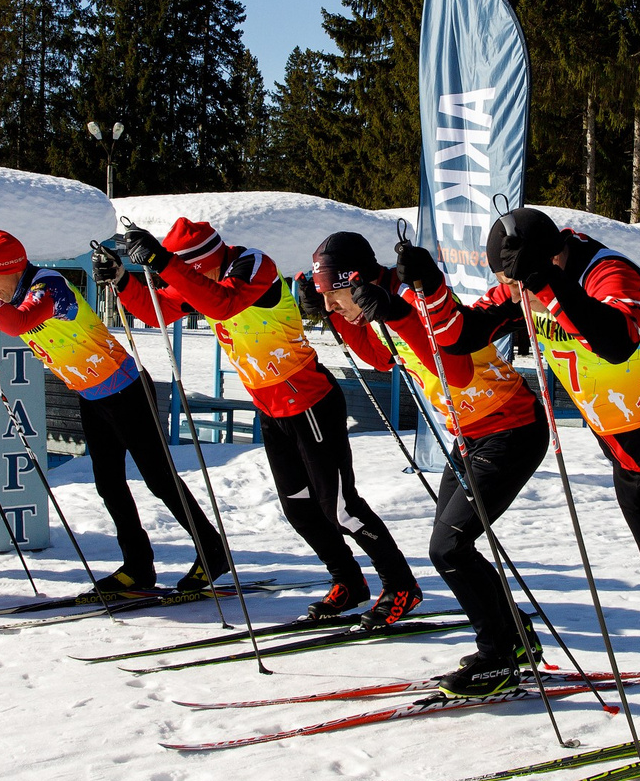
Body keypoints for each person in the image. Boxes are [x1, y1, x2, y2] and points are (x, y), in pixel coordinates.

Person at [426, 208, 640, 744]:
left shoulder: (609, 273)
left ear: (548, 259)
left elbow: (616, 339)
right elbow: (462, 335)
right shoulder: (529, 285)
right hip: (627, 456)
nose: (509, 292)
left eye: (514, 280)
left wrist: (546, 282)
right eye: (506, 282)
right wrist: (428, 289)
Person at [113, 217, 424, 628]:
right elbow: (158, 312)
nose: (186, 279)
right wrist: (121, 280)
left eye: (191, 270)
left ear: (204, 261)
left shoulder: (251, 266)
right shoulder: (201, 281)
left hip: (309, 400)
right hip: (272, 408)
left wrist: (165, 262)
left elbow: (223, 304)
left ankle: (401, 584)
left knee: (341, 508)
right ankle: (348, 581)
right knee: (299, 510)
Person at [0, 229, 231, 597]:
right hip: (91, 395)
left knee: (159, 479)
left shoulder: (48, 287)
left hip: (128, 391)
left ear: (13, 267)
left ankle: (213, 550)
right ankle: (138, 566)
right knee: (109, 485)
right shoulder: (8, 295)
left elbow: (18, 323)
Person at [314, 231, 546, 683]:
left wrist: (398, 314)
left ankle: (497, 654)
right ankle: (514, 637)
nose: (329, 307)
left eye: (333, 295)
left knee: (449, 548)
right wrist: (345, 320)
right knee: (453, 548)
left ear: (354, 279)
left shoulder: (414, 295)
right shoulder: (382, 302)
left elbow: (454, 371)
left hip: (510, 427)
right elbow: (383, 358)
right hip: (471, 436)